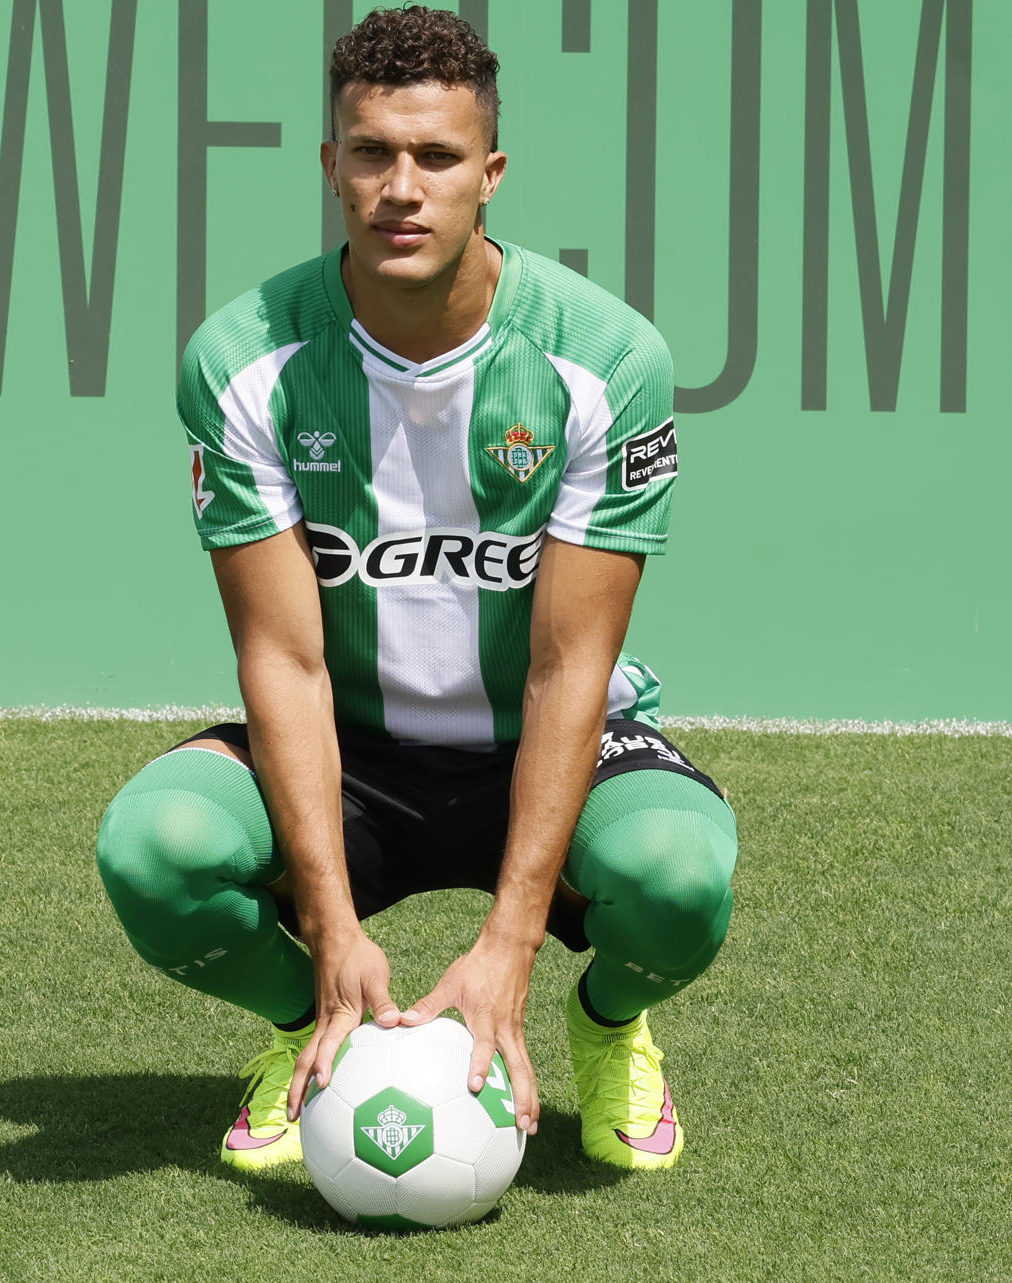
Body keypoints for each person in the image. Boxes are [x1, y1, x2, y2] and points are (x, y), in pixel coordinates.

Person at [95, 5, 736, 1174]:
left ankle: (609, 1025)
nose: (402, 187)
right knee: (158, 848)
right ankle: (309, 1024)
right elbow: (284, 658)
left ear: (490, 175)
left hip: (542, 742)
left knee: (678, 876)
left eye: (437, 157)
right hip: (355, 754)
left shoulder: (605, 360)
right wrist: (331, 931)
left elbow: (568, 665)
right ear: (329, 165)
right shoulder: (242, 360)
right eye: (372, 153)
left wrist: (513, 941)